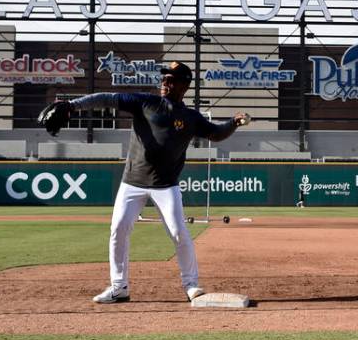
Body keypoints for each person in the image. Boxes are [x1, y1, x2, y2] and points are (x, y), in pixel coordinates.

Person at [55, 61, 248, 304]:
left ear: (184, 85)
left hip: (166, 186)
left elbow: (216, 133)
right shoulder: (144, 102)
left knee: (179, 232)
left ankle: (191, 285)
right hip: (132, 182)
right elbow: (107, 98)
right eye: (164, 78)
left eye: (171, 79)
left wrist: (233, 122)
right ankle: (119, 287)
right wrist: (73, 105)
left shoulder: (190, 117)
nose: (165, 83)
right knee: (118, 230)